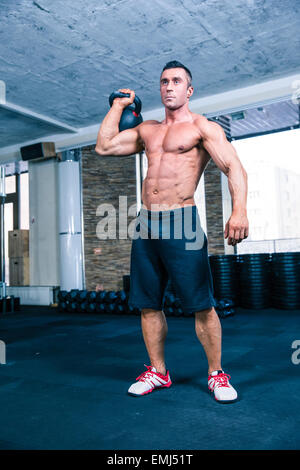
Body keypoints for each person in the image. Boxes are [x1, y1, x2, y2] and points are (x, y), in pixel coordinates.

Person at [95, 60, 249, 403]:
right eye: (164, 81)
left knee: (201, 304)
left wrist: (239, 210)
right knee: (148, 303)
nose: (168, 86)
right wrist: (118, 106)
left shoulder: (202, 128)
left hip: (181, 222)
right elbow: (103, 146)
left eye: (176, 81)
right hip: (146, 223)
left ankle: (216, 374)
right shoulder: (148, 130)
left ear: (188, 90)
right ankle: (158, 371)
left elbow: (233, 166)